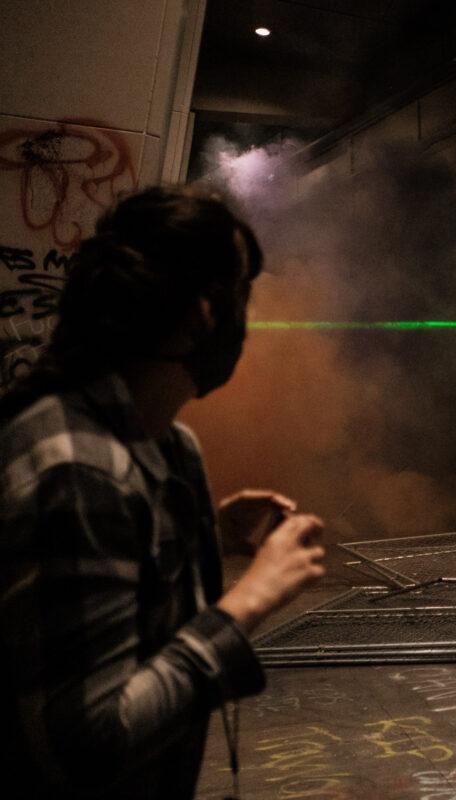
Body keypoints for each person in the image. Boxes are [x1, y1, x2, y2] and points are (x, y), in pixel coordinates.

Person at [0, 186, 326, 799]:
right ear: (206, 313)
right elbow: (85, 750)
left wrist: (209, 531)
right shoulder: (77, 471)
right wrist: (249, 602)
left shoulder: (166, 444)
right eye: (241, 297)